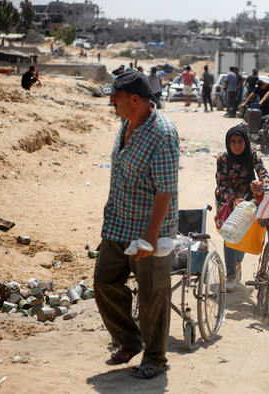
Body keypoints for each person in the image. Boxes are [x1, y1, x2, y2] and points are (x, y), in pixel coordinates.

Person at [95, 70, 179, 380]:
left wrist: (151, 236)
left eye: (115, 96)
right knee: (104, 283)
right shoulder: (125, 124)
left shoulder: (163, 134)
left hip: (148, 230)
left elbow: (165, 190)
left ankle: (155, 358)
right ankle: (130, 340)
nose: (110, 100)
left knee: (152, 294)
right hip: (118, 224)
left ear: (134, 99)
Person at [215, 125, 269, 291]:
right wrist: (233, 200)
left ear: (246, 142)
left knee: (244, 234)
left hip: (249, 200)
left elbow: (263, 172)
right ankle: (231, 274)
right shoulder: (223, 159)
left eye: (240, 141)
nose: (237, 145)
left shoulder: (252, 155)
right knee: (230, 234)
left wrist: (262, 184)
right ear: (228, 143)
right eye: (233, 141)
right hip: (228, 200)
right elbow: (222, 185)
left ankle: (237, 262)